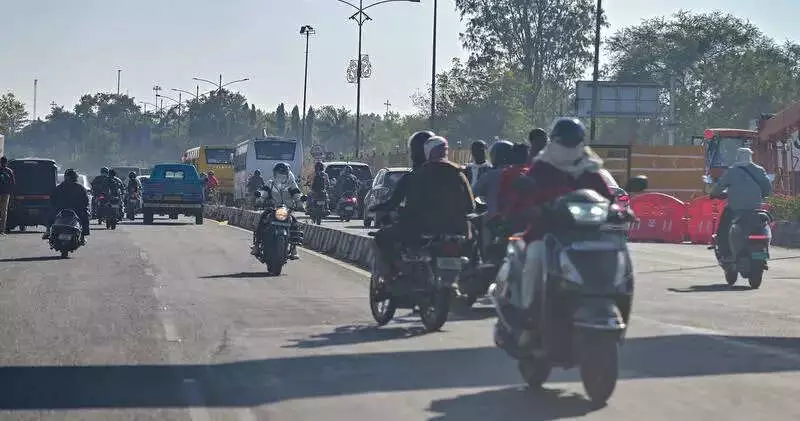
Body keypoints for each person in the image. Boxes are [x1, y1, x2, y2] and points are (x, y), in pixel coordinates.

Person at [494, 118, 613, 340]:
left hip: (586, 237)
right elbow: (519, 198)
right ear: (554, 142)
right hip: (546, 234)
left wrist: (619, 210)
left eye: (574, 141)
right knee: (535, 258)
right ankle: (528, 316)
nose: (569, 146)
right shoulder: (541, 169)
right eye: (564, 141)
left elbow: (608, 197)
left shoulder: (590, 170)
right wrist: (528, 209)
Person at [405, 135, 475, 239]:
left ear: (427, 152)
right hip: (458, 231)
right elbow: (470, 206)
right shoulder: (458, 173)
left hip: (425, 230)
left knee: (383, 236)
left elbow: (412, 205)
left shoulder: (419, 175)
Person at [710, 147, 772, 258]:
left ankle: (724, 252)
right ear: (750, 156)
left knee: (723, 229)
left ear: (737, 157)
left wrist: (713, 193)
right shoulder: (759, 170)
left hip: (735, 210)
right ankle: (762, 254)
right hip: (755, 210)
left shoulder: (732, 171)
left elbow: (718, 187)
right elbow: (768, 189)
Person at [251, 162, 303, 260]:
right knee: (262, 219)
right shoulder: (270, 183)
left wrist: (300, 203)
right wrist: (260, 199)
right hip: (273, 208)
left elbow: (297, 195)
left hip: (287, 209)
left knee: (294, 223)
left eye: (283, 175)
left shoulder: (292, 185)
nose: (281, 177)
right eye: (279, 175)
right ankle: (257, 245)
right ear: (275, 174)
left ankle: (294, 249)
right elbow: (264, 192)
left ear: (287, 174)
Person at [43, 169, 90, 241]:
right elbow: (85, 201)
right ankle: (48, 231)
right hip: (65, 210)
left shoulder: (59, 188)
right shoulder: (80, 188)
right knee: (85, 215)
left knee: (85, 215)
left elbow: (52, 200)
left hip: (69, 210)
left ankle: (82, 235)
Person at [473, 140, 514, 217]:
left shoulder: (488, 176)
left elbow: (474, 195)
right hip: (515, 220)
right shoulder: (521, 174)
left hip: (492, 221)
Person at [0, 156, 15, 235]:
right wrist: (12, 195)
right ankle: (2, 230)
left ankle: (2, 230)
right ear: (6, 162)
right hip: (6, 194)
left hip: (3, 193)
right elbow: (13, 184)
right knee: (4, 212)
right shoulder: (9, 171)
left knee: (3, 212)